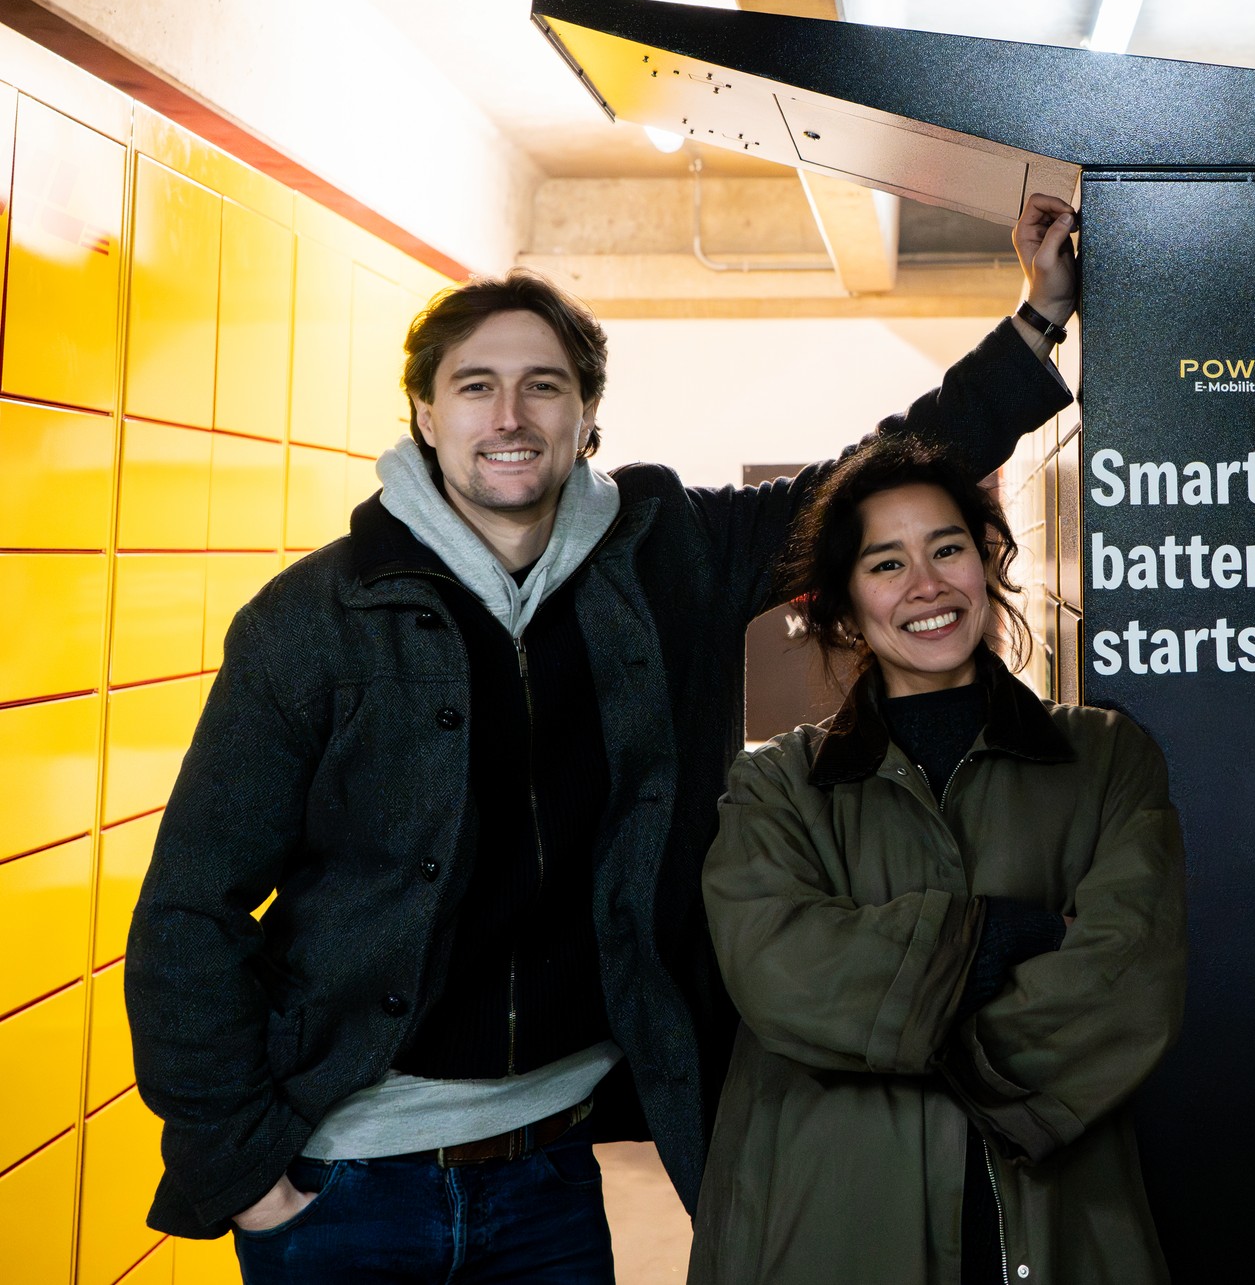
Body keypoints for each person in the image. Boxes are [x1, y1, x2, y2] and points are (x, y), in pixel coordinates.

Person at [124, 197, 1082, 1283]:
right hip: (344, 1184)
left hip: (549, 1180)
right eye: (474, 386)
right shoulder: (314, 622)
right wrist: (246, 1178)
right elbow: (190, 911)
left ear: (587, 418)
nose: (510, 415)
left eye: (545, 385)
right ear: (424, 417)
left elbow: (864, 487)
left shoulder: (666, 551)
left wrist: (1034, 325)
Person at [689, 436, 1186, 1285]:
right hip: (830, 1223)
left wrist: (889, 1015)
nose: (926, 585)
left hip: (1055, 1219)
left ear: (987, 564)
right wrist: (993, 938)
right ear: (843, 605)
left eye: (947, 548)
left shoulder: (1107, 759)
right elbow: (780, 972)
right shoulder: (776, 785)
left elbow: (1129, 978)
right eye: (886, 563)